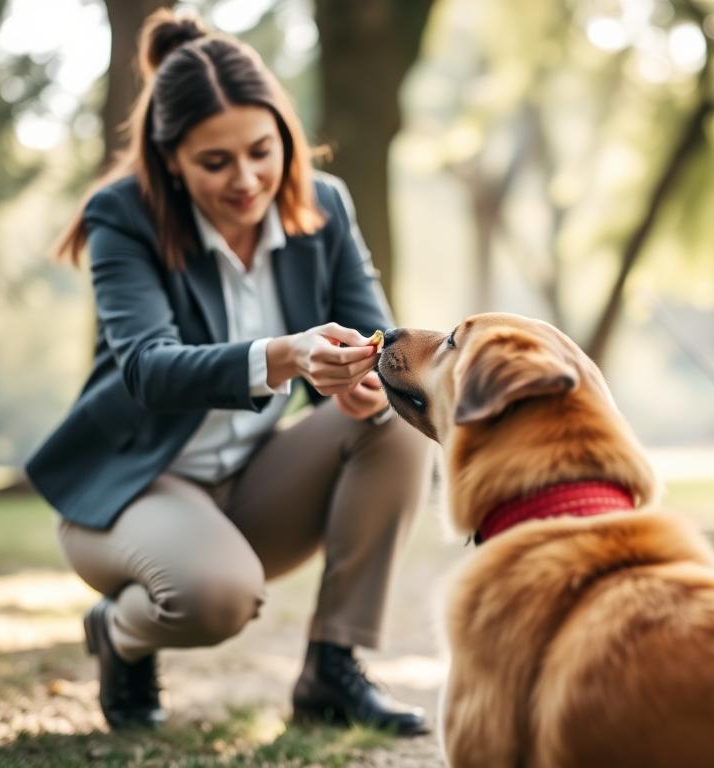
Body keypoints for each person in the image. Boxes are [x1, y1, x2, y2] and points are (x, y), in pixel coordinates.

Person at [25, 9, 433, 735]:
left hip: (251, 485)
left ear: (285, 135)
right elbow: (148, 368)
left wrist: (362, 377)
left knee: (396, 426)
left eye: (261, 151)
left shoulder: (325, 207)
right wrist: (285, 355)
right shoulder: (124, 215)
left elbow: (378, 333)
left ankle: (332, 668)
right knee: (214, 600)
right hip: (132, 486)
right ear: (171, 160)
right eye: (216, 163)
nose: (247, 180)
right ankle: (119, 634)